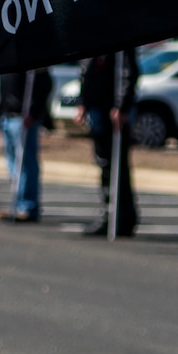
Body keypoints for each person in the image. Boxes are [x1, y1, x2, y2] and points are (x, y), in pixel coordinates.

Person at [78, 49, 139, 237]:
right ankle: (111, 212)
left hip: (111, 111)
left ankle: (121, 216)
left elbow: (128, 73)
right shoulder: (93, 41)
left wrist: (122, 106)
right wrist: (83, 103)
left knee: (116, 166)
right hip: (98, 111)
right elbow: (86, 75)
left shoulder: (119, 44)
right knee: (105, 164)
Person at [0, 69, 51, 224]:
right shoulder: (7, 59)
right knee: (13, 164)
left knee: (25, 163)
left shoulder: (31, 58)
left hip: (23, 118)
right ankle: (19, 203)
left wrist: (33, 112)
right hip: (8, 116)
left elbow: (44, 84)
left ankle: (28, 206)